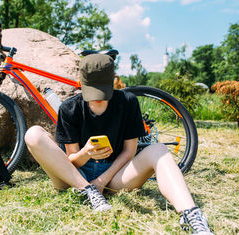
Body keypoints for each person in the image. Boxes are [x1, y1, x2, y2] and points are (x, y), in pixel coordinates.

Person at [24, 54, 213, 234]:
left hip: (115, 176)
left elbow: (129, 151)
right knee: (33, 135)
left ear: (113, 82)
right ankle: (87, 191)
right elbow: (71, 160)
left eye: (103, 91)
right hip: (74, 178)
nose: (98, 98)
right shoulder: (69, 108)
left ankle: (192, 215)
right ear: (81, 84)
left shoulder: (128, 102)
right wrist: (86, 153)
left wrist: (102, 181)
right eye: (92, 92)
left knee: (159, 150)